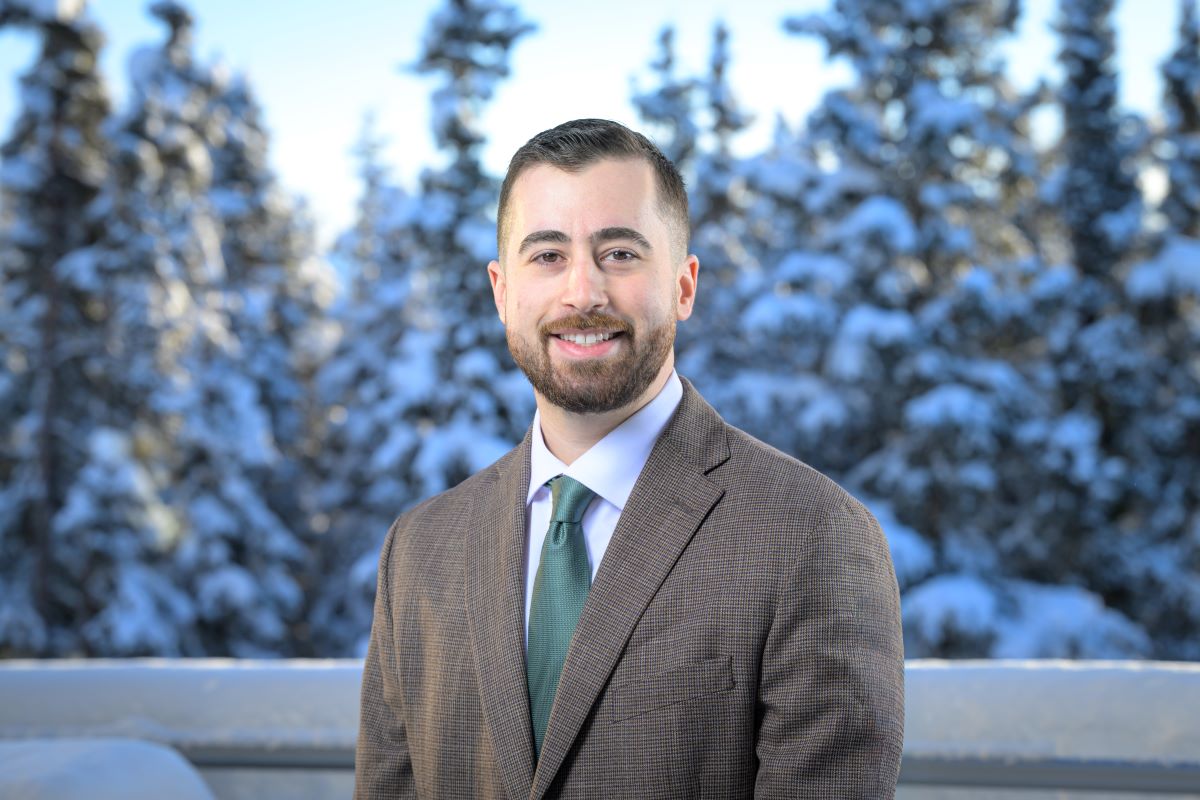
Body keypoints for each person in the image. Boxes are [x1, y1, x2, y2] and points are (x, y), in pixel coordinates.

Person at [354, 118, 904, 799]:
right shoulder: (418, 551)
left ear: (683, 285)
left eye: (619, 253)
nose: (583, 293)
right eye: (547, 256)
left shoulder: (811, 535)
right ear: (501, 291)